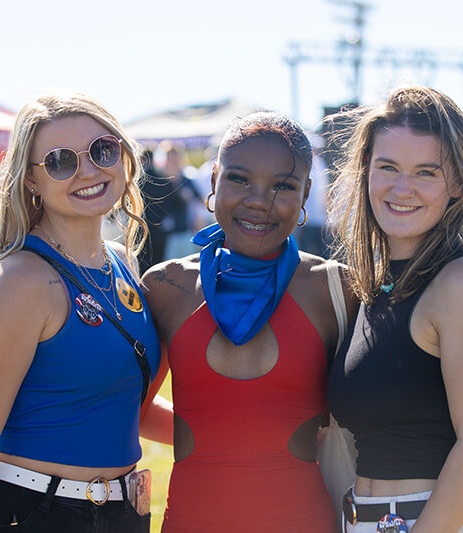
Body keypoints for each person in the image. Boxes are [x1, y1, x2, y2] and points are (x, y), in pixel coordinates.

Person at [0, 93, 170, 532]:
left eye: (103, 150)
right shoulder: (21, 280)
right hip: (38, 514)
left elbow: (126, 405)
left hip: (124, 514)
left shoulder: (124, 261)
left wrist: (240, 434)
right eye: (61, 161)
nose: (88, 170)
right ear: (30, 181)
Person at [142, 111, 358, 532]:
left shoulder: (335, 290)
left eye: (283, 186)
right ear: (213, 180)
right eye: (239, 179)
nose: (259, 200)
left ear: (306, 194)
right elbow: (132, 412)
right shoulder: (166, 287)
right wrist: (221, 441)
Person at [326, 86, 463, 532]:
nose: (401, 188)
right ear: (365, 171)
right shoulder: (375, 284)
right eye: (387, 167)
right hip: (368, 520)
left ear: (458, 185)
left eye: (426, 173)